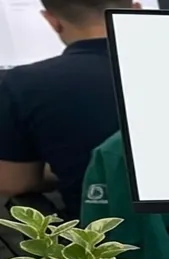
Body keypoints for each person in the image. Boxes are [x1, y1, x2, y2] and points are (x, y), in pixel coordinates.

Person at [0, 0, 138, 216]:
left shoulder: (25, 83)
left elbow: (14, 182)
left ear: (52, 21)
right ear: (136, 10)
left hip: (100, 232)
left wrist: (69, 168)